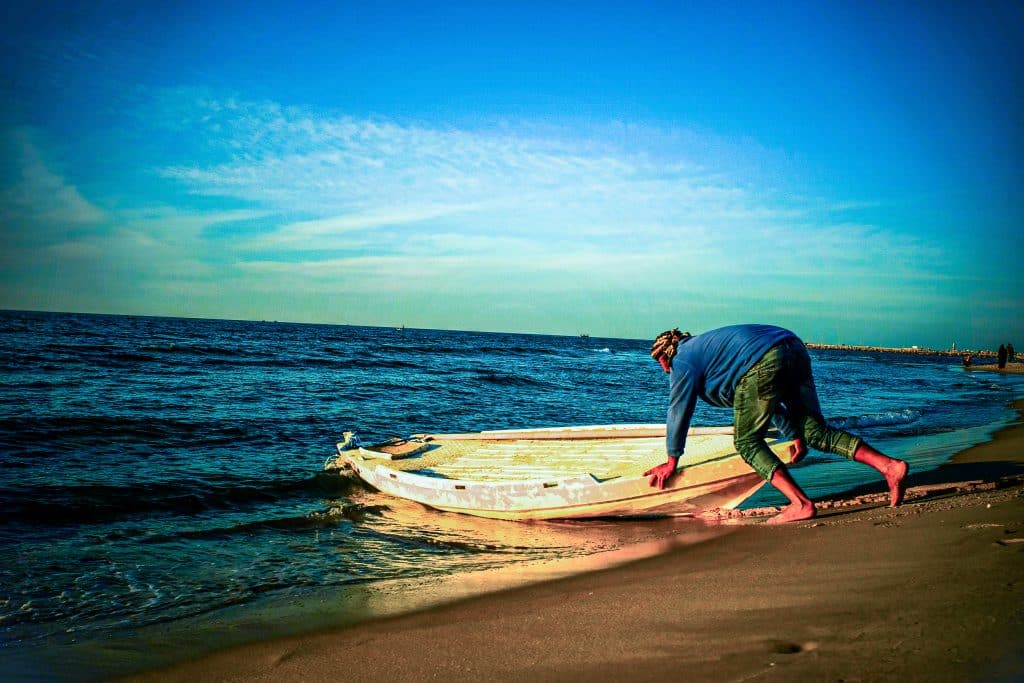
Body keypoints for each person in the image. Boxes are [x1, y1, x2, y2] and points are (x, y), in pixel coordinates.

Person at [644, 325, 908, 524]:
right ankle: (890, 466)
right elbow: (763, 399)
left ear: (664, 356)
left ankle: (800, 503)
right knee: (814, 432)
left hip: (765, 358)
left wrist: (672, 460)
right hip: (792, 347)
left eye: (661, 365)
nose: (666, 371)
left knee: (747, 442)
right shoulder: (713, 356)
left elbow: (679, 408)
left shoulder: (681, 360)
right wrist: (794, 434)